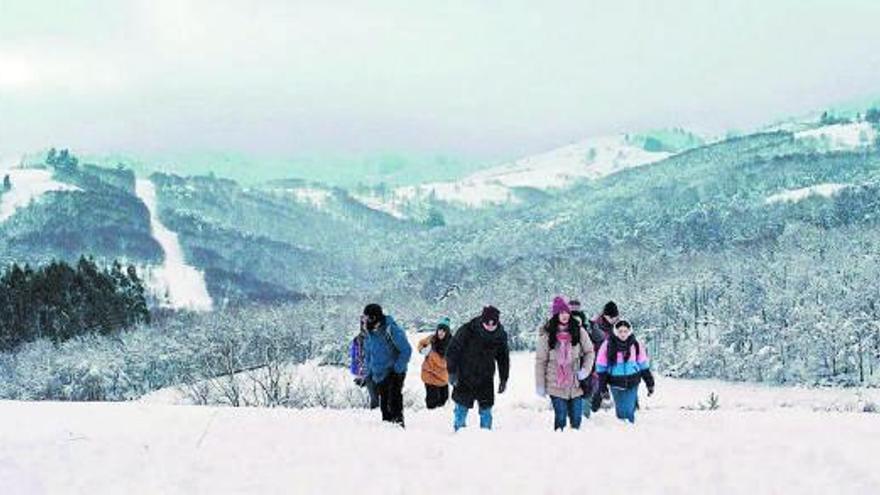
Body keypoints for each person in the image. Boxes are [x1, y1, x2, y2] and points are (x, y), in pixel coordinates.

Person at [446, 305, 510, 431]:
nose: (491, 326)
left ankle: (485, 437)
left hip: (485, 378)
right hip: (464, 376)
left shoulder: (500, 335)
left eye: (494, 323)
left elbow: (503, 358)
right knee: (461, 408)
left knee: (486, 410)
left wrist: (503, 379)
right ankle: (458, 433)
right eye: (488, 323)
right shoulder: (467, 330)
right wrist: (452, 372)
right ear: (482, 320)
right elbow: (452, 351)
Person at [535, 297, 595, 431]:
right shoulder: (547, 335)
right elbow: (540, 361)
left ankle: (575, 446)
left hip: (576, 383)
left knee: (576, 419)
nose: (565, 316)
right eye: (561, 313)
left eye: (567, 313)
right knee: (560, 417)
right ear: (556, 314)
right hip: (555, 383)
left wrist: (585, 370)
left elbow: (589, 352)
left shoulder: (579, 331)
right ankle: (559, 444)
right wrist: (540, 385)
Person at [592, 319, 655, 423]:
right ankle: (623, 431)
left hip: (633, 381)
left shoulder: (635, 344)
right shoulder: (607, 344)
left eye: (625, 331)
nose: (623, 334)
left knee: (629, 410)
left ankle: (630, 428)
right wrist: (603, 387)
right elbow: (601, 367)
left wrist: (650, 383)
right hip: (615, 382)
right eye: (620, 331)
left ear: (629, 331)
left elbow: (643, 366)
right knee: (621, 411)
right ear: (616, 332)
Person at [362, 303, 412, 427]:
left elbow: (406, 350)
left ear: (375, 318)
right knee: (384, 405)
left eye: (368, 318)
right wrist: (368, 374)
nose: (365, 321)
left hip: (394, 370)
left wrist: (397, 369)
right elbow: (369, 354)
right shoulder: (369, 333)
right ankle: (388, 430)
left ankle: (398, 426)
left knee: (394, 401)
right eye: (365, 318)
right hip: (379, 373)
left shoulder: (391, 330)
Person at [418, 317, 452, 409]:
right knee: (432, 403)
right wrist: (423, 350)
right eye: (439, 330)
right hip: (430, 375)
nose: (440, 333)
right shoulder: (432, 339)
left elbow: (446, 363)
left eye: (443, 331)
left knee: (444, 402)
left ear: (447, 332)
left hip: (443, 377)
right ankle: (429, 419)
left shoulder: (452, 343)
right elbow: (421, 344)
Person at [349, 322, 379, 409]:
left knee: (375, 397)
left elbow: (354, 356)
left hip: (367, 371)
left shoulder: (358, 339)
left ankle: (375, 414)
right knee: (376, 398)